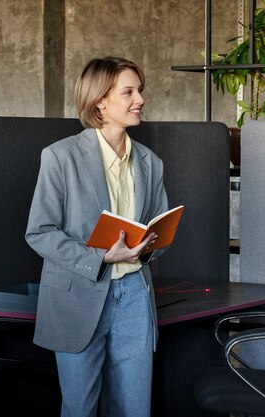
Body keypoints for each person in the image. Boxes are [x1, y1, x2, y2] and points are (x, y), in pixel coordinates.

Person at [25, 57, 168, 417]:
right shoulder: (60, 156)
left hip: (135, 293)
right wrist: (100, 257)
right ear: (101, 101)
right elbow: (39, 232)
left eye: (140, 90)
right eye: (129, 91)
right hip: (79, 294)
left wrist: (148, 247)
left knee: (135, 408)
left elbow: (158, 231)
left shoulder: (151, 162)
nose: (140, 99)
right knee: (80, 409)